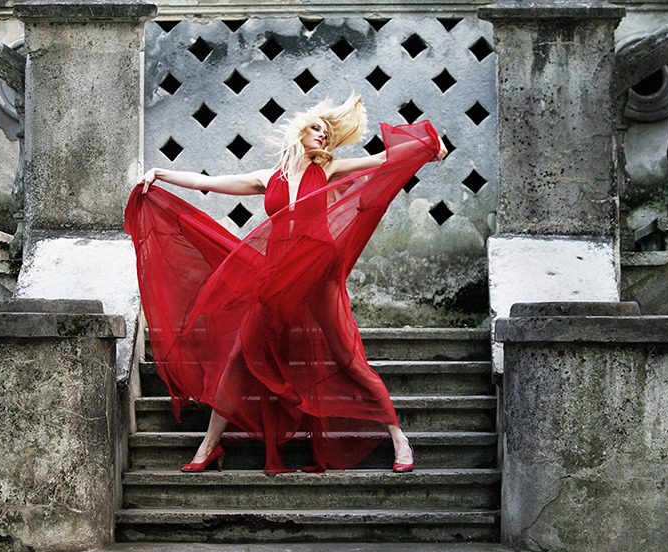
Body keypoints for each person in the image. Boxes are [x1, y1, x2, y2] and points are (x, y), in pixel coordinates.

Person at [125, 94, 447, 475]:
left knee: (346, 356)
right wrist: (160, 173)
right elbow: (207, 183)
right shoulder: (268, 178)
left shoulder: (328, 169)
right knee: (238, 357)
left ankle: (399, 439)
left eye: (328, 133)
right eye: (317, 128)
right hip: (277, 274)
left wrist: (428, 145)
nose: (323, 136)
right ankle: (208, 447)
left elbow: (382, 160)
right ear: (300, 130)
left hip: (317, 270)